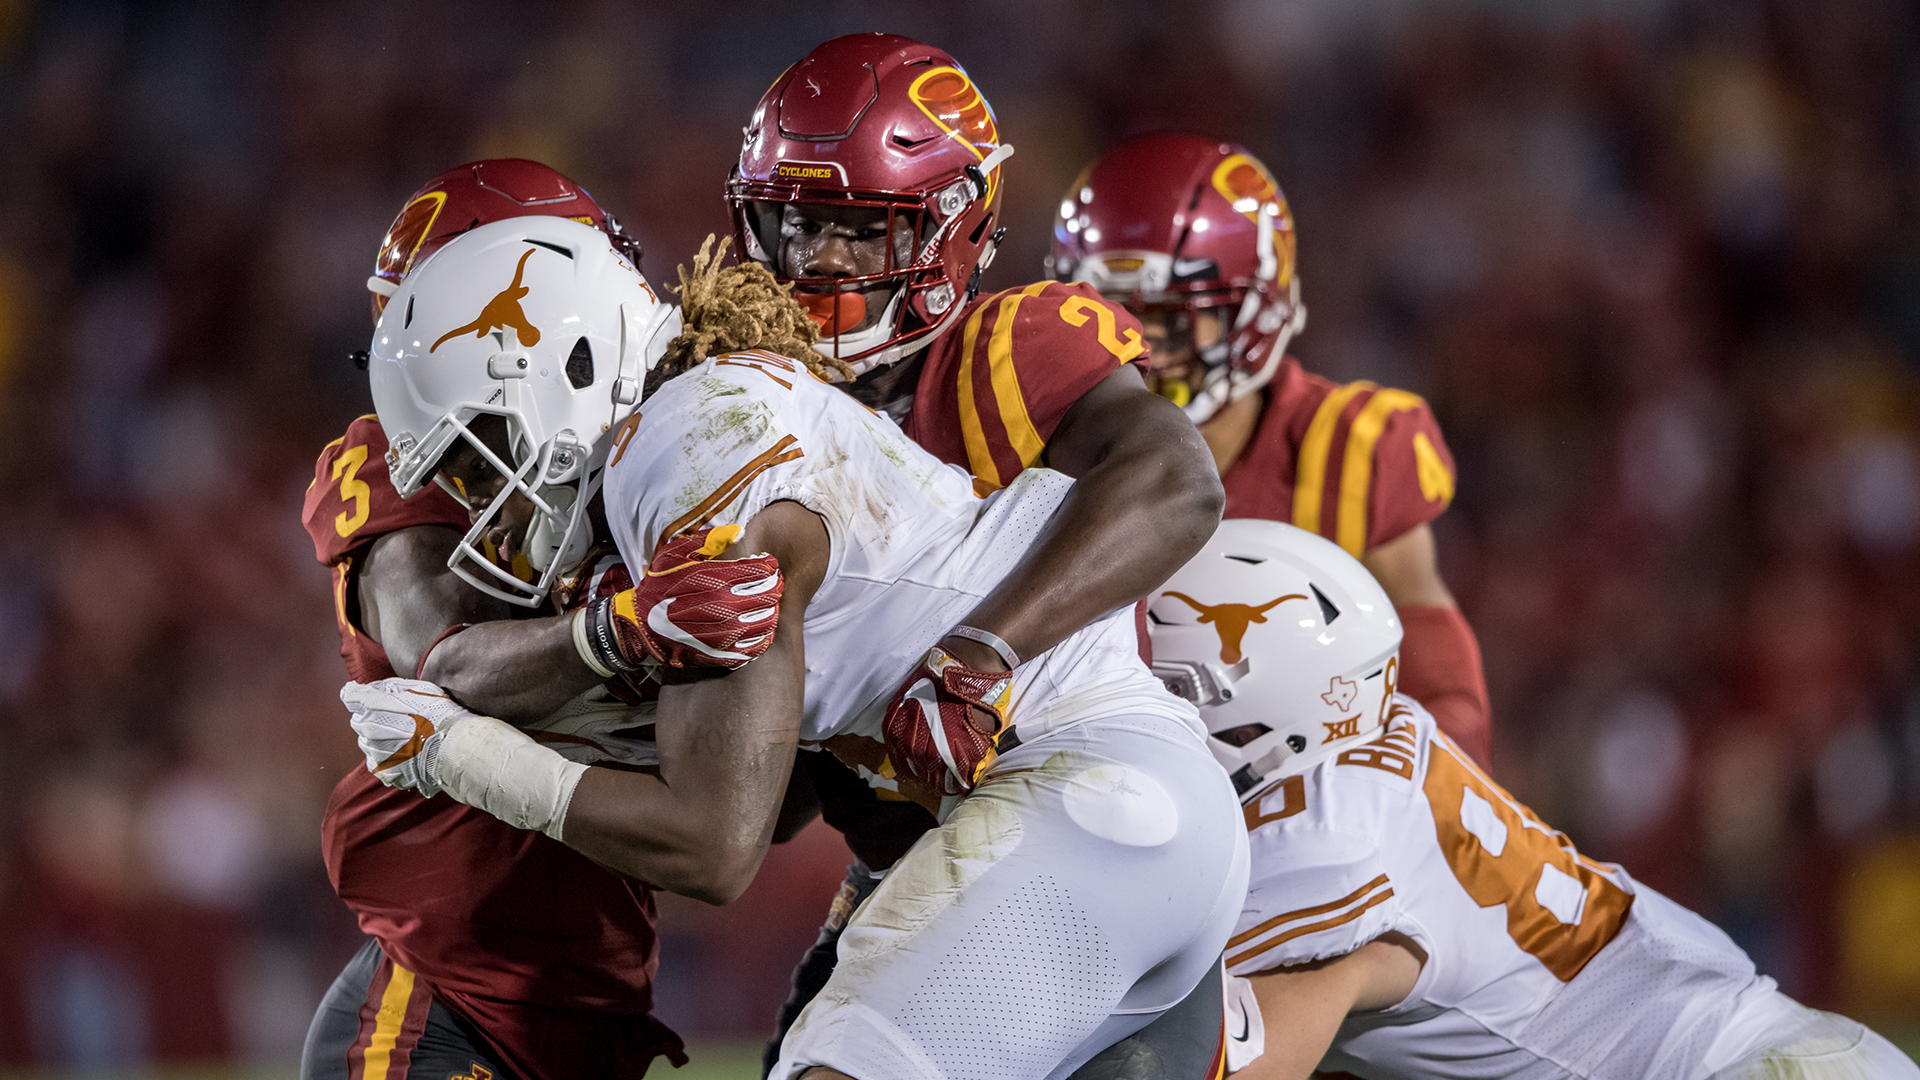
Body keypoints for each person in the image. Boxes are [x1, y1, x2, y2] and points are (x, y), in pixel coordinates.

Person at [340, 221, 1249, 1080]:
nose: (479, 495)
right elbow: (771, 801)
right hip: (1114, 827)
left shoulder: (686, 447)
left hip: (1081, 800)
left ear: (558, 372)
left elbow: (712, 845)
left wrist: (464, 759)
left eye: (479, 449)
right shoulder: (703, 422)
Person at [725, 37, 1233, 1075]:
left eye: (863, 232)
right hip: (913, 871)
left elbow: (1178, 480)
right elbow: (773, 804)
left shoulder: (1008, 351)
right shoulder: (746, 413)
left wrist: (981, 652)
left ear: (953, 230)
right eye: (799, 222)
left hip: (1083, 833)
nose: (820, 259)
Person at [1146, 519, 1919, 1080]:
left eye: (1171, 690)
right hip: (1782, 1048)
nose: (1148, 712)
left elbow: (1212, 1051)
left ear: (1257, 695)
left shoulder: (1319, 839)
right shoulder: (1382, 740)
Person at [299, 160, 686, 1080]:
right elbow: (443, 656)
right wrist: (619, 629)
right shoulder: (400, 472)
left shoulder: (664, 455)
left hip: (592, 1008)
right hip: (445, 999)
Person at [1050, 133, 1494, 772]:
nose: (1136, 347)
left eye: (1169, 316)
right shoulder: (1032, 436)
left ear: (1253, 313)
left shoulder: (1348, 448)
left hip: (1315, 798)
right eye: (1110, 313)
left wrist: (1410, 792)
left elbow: (1443, 700)